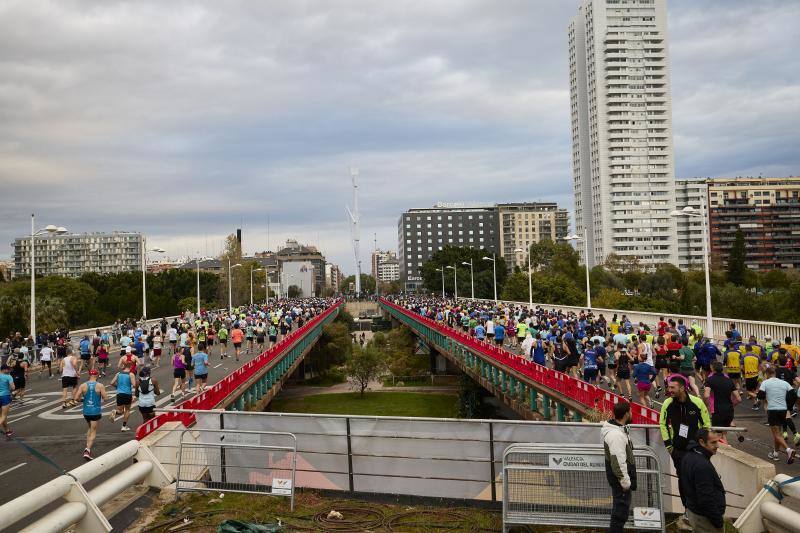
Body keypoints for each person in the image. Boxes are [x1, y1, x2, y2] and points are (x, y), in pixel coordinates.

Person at [659, 375, 711, 511]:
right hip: (678, 450)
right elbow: (663, 424)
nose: (669, 390)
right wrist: (669, 446)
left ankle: (700, 508)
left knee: (698, 479)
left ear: (682, 388)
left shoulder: (697, 402)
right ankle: (687, 509)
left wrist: (703, 446)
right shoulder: (667, 403)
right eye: (669, 387)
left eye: (672, 387)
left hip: (696, 450)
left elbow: (706, 424)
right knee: (683, 480)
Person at [681, 429, 726, 532]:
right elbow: (706, 499)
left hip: (696, 513)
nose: (717, 446)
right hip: (705, 520)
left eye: (717, 441)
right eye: (713, 442)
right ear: (701, 442)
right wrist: (718, 521)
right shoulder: (702, 466)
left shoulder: (688, 455)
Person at [602, 401, 636, 533]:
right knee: (620, 514)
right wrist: (625, 482)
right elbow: (618, 462)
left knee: (620, 511)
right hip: (620, 481)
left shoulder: (618, 430)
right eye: (631, 411)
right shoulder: (616, 435)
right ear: (627, 414)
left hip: (619, 479)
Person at [758, 365, 797, 463]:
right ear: (775, 373)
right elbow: (793, 394)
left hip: (773, 410)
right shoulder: (784, 383)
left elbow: (761, 396)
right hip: (783, 410)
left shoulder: (765, 383)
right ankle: (775, 453)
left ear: (767, 374)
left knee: (776, 434)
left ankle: (788, 450)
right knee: (778, 433)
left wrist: (766, 398)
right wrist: (789, 406)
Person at [74, 369, 107, 460]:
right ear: (96, 375)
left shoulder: (83, 385)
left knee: (90, 428)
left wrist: (83, 400)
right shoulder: (100, 385)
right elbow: (106, 398)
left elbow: (76, 398)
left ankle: (87, 444)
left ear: (89, 375)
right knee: (93, 432)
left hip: (86, 411)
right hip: (95, 411)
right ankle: (87, 450)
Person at [703, 361, 740, 442]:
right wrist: (732, 405)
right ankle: (727, 446)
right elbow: (738, 398)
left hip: (717, 410)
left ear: (712, 369)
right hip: (729, 411)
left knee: (717, 435)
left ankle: (727, 448)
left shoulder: (710, 380)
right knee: (723, 433)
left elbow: (706, 395)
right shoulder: (729, 380)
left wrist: (707, 406)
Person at [109, 362, 136, 432]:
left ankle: (115, 412)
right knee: (127, 410)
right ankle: (124, 426)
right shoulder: (131, 374)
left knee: (120, 411)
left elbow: (111, 383)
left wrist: (117, 387)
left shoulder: (118, 374)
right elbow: (134, 385)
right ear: (130, 367)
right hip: (127, 394)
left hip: (119, 394)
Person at [0, 364, 16, 439]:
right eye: (8, 369)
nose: (9, 370)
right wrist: (8, 390)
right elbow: (13, 387)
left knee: (1, 416)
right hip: (5, 396)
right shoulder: (8, 377)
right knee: (4, 416)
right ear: (4, 369)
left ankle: (7, 431)